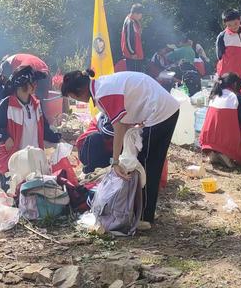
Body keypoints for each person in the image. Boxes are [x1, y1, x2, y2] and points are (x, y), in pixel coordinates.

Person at [61, 69, 179, 224]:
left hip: (159, 114)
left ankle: (143, 217)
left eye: (72, 97)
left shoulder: (103, 93)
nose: (75, 100)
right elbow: (123, 123)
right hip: (166, 110)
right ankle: (144, 214)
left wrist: (115, 162)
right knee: (149, 165)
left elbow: (118, 128)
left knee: (145, 166)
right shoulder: (102, 86)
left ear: (78, 92)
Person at [0, 65, 61, 191]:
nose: (35, 85)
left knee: (34, 195)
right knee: (14, 197)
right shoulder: (7, 104)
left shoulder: (36, 104)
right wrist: (5, 137)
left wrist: (58, 138)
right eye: (32, 82)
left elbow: (44, 130)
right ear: (22, 84)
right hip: (13, 164)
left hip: (34, 162)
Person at [199, 72, 241, 169]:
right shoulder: (236, 97)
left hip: (208, 139)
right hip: (227, 141)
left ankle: (214, 152)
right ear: (235, 84)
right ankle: (226, 154)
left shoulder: (214, 95)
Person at [216, 8, 241, 79]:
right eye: (229, 25)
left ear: (240, 19)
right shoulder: (222, 37)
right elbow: (219, 56)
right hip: (228, 76)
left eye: (236, 23)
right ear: (225, 23)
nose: (233, 27)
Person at [121, 3, 144, 72]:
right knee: (134, 75)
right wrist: (132, 53)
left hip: (137, 55)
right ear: (135, 13)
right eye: (141, 14)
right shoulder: (129, 22)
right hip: (133, 56)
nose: (141, 16)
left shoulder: (134, 21)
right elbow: (128, 39)